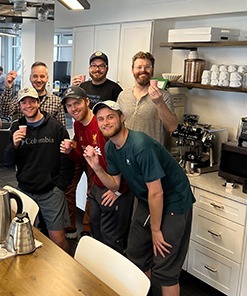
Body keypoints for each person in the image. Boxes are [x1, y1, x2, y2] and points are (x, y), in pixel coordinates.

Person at [84, 100, 195, 296]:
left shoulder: (140, 145)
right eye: (100, 119)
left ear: (122, 117)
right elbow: (115, 184)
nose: (105, 122)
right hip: (148, 199)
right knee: (136, 254)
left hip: (174, 201)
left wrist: (155, 229)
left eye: (110, 117)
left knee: (164, 267)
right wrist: (96, 167)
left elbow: (157, 191)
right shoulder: (110, 148)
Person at [60, 86, 133, 253]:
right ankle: (99, 271)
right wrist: (72, 150)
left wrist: (119, 190)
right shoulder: (78, 125)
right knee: (96, 229)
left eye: (77, 103)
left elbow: (124, 158)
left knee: (113, 238)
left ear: (87, 102)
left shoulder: (102, 125)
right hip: (100, 185)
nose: (73, 108)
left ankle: (115, 276)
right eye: (69, 106)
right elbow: (82, 157)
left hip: (117, 187)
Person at [5, 87, 74, 252]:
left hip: (51, 192)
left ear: (38, 102)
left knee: (57, 240)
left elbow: (67, 160)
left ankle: (66, 272)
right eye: (24, 102)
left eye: (32, 101)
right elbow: (7, 161)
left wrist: (60, 187)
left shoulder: (55, 128)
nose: (28, 105)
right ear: (20, 105)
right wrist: (14, 145)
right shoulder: (17, 127)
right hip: (25, 190)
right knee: (26, 237)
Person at [117, 51, 178, 144]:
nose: (143, 70)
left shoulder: (163, 95)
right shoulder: (123, 96)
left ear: (152, 70)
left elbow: (172, 127)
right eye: (139, 67)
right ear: (132, 70)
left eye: (147, 67)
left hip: (151, 154)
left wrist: (159, 102)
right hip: (127, 152)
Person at [0, 62, 66, 126]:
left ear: (47, 78)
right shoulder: (21, 98)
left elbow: (61, 129)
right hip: (24, 136)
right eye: (35, 76)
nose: (39, 80)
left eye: (42, 76)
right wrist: (8, 88)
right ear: (30, 78)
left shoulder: (57, 102)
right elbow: (5, 113)